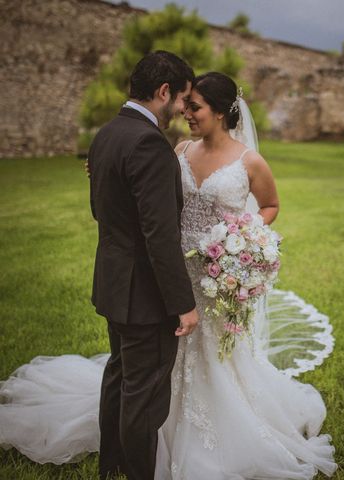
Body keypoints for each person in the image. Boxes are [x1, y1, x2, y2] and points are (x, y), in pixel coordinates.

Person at [152, 71, 336, 479]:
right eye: (186, 105)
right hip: (176, 269)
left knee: (214, 350)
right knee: (169, 346)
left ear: (220, 112)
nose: (185, 112)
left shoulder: (249, 161)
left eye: (194, 107)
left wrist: (244, 235)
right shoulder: (181, 148)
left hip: (219, 273)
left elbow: (270, 205)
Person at [88, 51, 200, 480]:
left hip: (114, 285)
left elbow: (102, 210)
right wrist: (182, 304)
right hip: (145, 296)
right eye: (181, 100)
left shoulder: (108, 133)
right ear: (164, 91)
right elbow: (159, 235)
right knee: (144, 394)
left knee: (119, 376)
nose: (181, 111)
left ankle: (110, 466)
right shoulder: (149, 142)